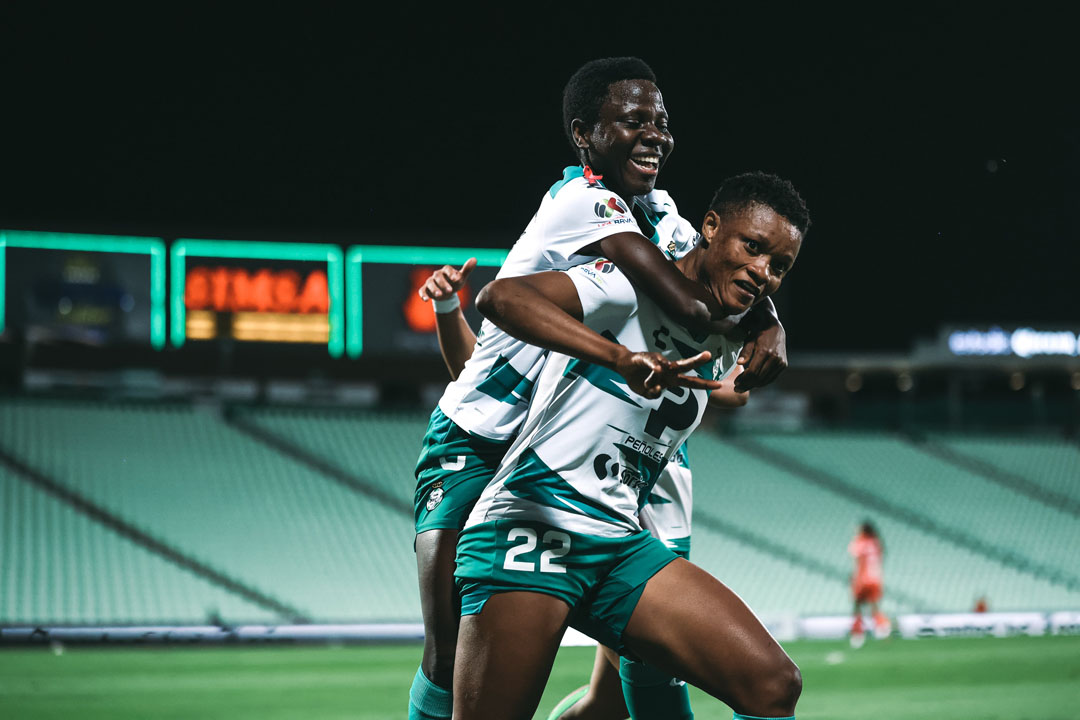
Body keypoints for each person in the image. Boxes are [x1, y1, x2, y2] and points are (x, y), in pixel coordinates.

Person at [407, 57, 788, 720]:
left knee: (656, 676)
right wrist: (634, 353)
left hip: (589, 461)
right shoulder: (583, 202)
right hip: (476, 443)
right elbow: (692, 303)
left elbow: (721, 268)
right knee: (446, 658)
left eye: (662, 122)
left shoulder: (664, 213)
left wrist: (769, 317)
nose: (655, 134)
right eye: (633, 120)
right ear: (585, 134)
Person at [453, 171, 809, 720]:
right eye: (753, 247)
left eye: (779, 266)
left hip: (619, 542)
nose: (762, 271)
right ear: (709, 228)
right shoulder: (628, 283)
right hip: (535, 523)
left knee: (773, 684)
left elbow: (731, 384)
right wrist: (618, 358)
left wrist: (771, 328)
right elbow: (501, 298)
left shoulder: (725, 327)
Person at [848, 521, 890, 648]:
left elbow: (856, 561)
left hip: (862, 579)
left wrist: (853, 578)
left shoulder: (859, 541)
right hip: (876, 578)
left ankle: (858, 635)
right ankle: (882, 629)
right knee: (875, 606)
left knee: (857, 607)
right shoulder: (876, 542)